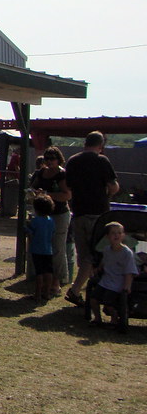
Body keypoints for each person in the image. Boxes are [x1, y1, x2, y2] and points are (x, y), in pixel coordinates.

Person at [65, 131, 120, 307]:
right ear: (100, 145)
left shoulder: (73, 160)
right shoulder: (102, 160)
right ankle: (76, 290)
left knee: (83, 254)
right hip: (97, 213)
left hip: (79, 212)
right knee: (96, 253)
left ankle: (89, 289)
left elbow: (68, 185)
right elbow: (113, 186)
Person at [29, 146, 71, 296]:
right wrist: (34, 193)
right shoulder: (41, 173)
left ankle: (56, 281)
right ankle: (41, 279)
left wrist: (48, 194)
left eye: (52, 158)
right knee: (43, 247)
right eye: (47, 158)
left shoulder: (62, 175)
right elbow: (31, 188)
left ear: (58, 159)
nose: (49, 161)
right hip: (42, 215)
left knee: (58, 248)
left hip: (59, 214)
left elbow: (67, 195)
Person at [88, 221, 139, 326]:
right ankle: (97, 319)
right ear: (107, 236)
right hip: (106, 280)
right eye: (113, 233)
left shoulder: (127, 253)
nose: (117, 235)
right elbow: (104, 262)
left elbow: (129, 271)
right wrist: (97, 269)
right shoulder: (107, 250)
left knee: (108, 303)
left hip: (118, 282)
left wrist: (127, 286)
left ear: (123, 235)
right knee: (93, 299)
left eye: (119, 233)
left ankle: (115, 318)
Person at [25, 196, 56, 303]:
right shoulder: (51, 220)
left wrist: (26, 227)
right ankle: (47, 293)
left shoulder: (35, 221)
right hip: (48, 250)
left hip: (37, 249)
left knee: (39, 272)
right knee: (48, 271)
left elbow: (31, 233)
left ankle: (37, 294)